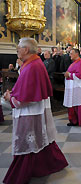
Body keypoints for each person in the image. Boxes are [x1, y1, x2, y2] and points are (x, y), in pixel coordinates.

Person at [3, 37, 68, 184]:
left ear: (26, 49)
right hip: (35, 111)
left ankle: (20, 174)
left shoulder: (32, 66)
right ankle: (47, 165)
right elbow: (27, 89)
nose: (17, 50)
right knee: (39, 140)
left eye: (18, 48)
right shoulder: (33, 63)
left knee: (29, 142)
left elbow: (24, 99)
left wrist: (9, 97)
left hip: (30, 113)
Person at [63, 49, 81, 126]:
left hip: (77, 88)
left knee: (77, 104)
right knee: (73, 104)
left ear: (76, 54)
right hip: (73, 87)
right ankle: (73, 120)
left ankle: (77, 120)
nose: (70, 55)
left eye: (71, 53)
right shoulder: (74, 63)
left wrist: (69, 75)